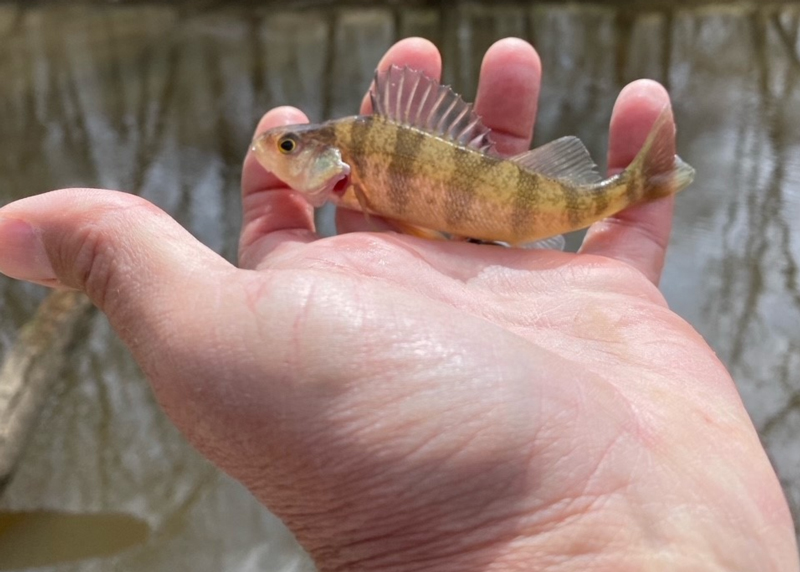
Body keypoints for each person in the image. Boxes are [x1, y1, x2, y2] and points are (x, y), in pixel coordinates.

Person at [0, 37, 797, 571]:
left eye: (288, 149)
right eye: (283, 145)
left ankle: (633, 185)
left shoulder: (357, 162)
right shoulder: (349, 166)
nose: (274, 152)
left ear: (329, 162)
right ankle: (630, 187)